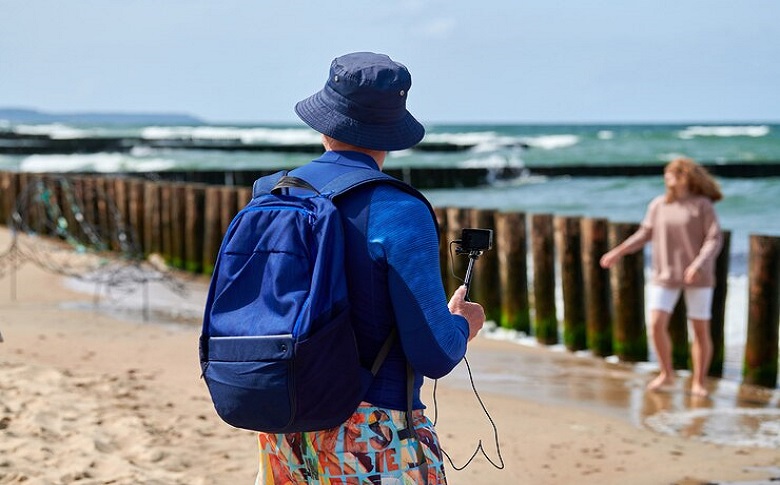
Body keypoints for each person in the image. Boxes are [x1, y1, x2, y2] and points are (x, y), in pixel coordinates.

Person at [254, 52, 486, 484]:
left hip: (282, 417)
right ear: (391, 132)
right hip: (370, 430)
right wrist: (463, 324)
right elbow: (434, 354)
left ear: (324, 123)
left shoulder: (273, 193)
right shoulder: (399, 209)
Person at [600, 157, 723, 397]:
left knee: (699, 329)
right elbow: (644, 234)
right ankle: (666, 373)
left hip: (698, 276)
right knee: (656, 325)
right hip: (665, 274)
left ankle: (699, 381)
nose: (666, 177)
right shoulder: (658, 204)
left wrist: (699, 264)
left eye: (672, 173)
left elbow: (714, 239)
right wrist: (618, 251)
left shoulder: (702, 205)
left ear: (686, 176)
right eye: (666, 173)